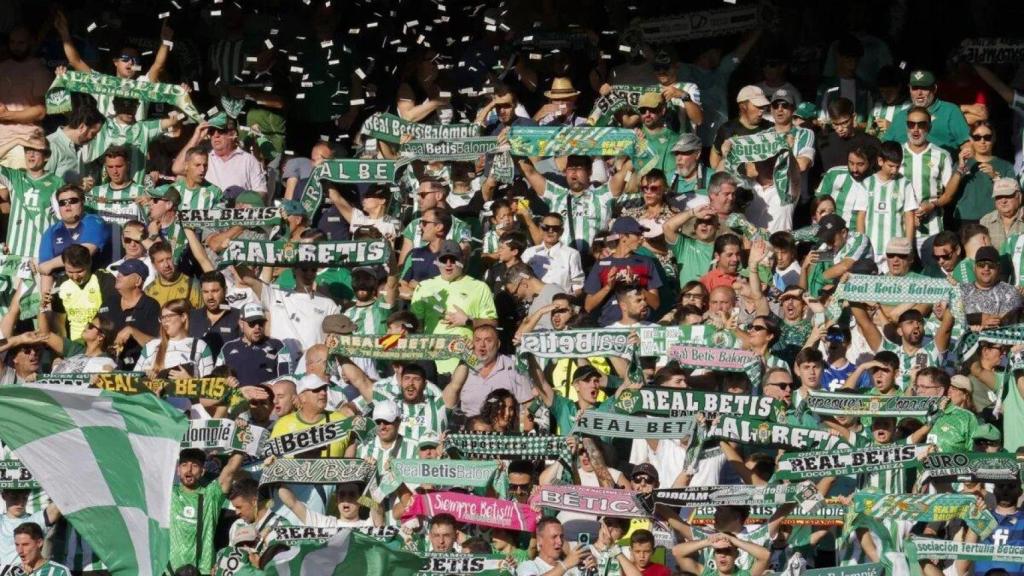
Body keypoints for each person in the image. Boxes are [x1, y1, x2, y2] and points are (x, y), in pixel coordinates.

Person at [410, 240, 497, 374]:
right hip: (431, 362)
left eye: (454, 259)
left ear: (462, 260)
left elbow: (493, 323)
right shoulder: (424, 287)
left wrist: (468, 320)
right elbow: (416, 326)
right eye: (444, 260)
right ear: (438, 261)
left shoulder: (480, 287)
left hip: (467, 361)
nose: (449, 264)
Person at [169, 449, 243, 574]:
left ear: (202, 471)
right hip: (170, 570)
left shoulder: (211, 495)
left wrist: (242, 437)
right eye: (184, 465)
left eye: (195, 465)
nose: (189, 469)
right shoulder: (168, 494)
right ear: (178, 470)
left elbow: (230, 470)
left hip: (204, 571)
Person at [583, 217, 663, 326]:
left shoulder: (646, 262)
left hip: (640, 325)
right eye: (637, 234)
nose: (641, 238)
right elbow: (588, 306)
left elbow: (655, 304)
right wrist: (609, 286)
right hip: (609, 326)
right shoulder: (601, 265)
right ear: (623, 237)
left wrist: (637, 285)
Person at [0, 133, 64, 259]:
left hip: (42, 255)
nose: (31, 154)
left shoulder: (58, 183)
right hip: (15, 253)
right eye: (27, 149)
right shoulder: (15, 177)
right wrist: (16, 140)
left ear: (47, 156)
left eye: (36, 150)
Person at [37, 184, 111, 287]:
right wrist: (46, 300)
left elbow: (83, 254)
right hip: (63, 289)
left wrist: (50, 265)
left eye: (73, 201)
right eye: (62, 203)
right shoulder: (50, 232)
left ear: (82, 202)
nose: (67, 205)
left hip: (95, 285)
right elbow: (45, 272)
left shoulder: (94, 222)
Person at [884, 69, 970, 155]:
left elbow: (967, 145)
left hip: (942, 165)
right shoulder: (901, 115)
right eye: (915, 88)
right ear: (909, 89)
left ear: (934, 88)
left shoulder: (950, 111)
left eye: (924, 88)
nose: (919, 93)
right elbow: (886, 147)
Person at [173, 117, 267, 196]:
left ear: (233, 134)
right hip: (208, 210)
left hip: (234, 212)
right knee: (180, 178)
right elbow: (177, 168)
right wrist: (197, 137)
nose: (216, 135)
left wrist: (242, 203)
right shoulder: (205, 157)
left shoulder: (248, 160)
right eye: (212, 131)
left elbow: (261, 192)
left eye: (221, 131)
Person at [861, 141, 918, 272]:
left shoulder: (904, 184)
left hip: (895, 250)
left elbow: (909, 217)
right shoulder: (867, 183)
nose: (894, 170)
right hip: (872, 247)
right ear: (880, 161)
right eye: (891, 166)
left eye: (898, 167)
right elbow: (861, 217)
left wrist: (908, 247)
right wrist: (862, 244)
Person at [134, 298, 215, 382]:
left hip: (185, 395)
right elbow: (133, 381)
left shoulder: (200, 346)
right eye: (162, 318)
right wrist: (144, 375)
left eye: (168, 317)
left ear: (183, 317)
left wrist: (190, 380)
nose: (164, 322)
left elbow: (208, 386)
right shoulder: (151, 346)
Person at [49, 244, 118, 341]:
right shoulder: (61, 282)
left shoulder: (104, 278)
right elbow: (59, 320)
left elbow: (112, 314)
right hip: (73, 344)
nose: (75, 277)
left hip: (99, 340)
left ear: (89, 263)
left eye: (79, 271)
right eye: (70, 272)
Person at [215, 302, 290, 386]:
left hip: (266, 397)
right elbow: (216, 380)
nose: (257, 327)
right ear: (241, 324)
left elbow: (286, 380)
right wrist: (226, 384)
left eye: (261, 323)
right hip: (237, 397)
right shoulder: (227, 348)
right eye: (252, 323)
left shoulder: (278, 346)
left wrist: (268, 386)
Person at [955, 121, 1015, 226]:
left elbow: (1015, 197)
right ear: (971, 140)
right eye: (977, 137)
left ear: (994, 138)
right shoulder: (962, 163)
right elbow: (947, 194)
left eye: (987, 137)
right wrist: (960, 170)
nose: (982, 141)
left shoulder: (1006, 166)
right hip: (966, 219)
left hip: (995, 219)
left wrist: (996, 177)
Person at [107, 258, 161, 369]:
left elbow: (157, 345)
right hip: (106, 363)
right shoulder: (110, 301)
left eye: (124, 273)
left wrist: (132, 331)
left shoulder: (150, 306)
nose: (118, 275)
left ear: (138, 281)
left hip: (136, 367)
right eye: (119, 272)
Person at [520, 211, 585, 297]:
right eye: (546, 227)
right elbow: (520, 275)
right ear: (540, 229)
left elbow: (577, 286)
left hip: (558, 304)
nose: (550, 231)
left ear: (561, 231)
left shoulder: (572, 254)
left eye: (555, 228)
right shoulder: (529, 252)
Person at [711, 85, 771, 170]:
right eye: (757, 106)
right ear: (743, 106)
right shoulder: (726, 130)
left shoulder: (770, 128)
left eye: (763, 107)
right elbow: (715, 159)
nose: (761, 112)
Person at [961, 246, 1022, 327]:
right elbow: (951, 318)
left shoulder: (1010, 293)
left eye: (991, 265)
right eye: (981, 265)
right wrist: (978, 319)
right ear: (974, 268)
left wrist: (986, 326)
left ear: (999, 268)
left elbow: (1009, 324)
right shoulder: (961, 290)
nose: (986, 268)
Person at [45, 103, 104, 184]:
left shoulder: (81, 147)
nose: (93, 138)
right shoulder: (52, 145)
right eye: (93, 134)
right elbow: (44, 183)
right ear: (82, 127)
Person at [816, 97, 881, 172]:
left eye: (844, 123)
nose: (840, 129)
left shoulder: (871, 143)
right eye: (835, 124)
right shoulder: (823, 143)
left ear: (854, 117)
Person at [517, 517, 597, 576]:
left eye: (561, 536)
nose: (559, 541)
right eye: (554, 537)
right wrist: (565, 565)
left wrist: (591, 571)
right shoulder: (528, 566)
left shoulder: (574, 568)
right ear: (540, 540)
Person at [146, 241, 202, 308]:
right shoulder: (149, 291)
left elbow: (200, 315)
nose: (166, 265)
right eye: (161, 261)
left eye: (169, 259)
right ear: (154, 265)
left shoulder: (192, 285)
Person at [982, 178, 1024, 251]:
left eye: (1008, 195)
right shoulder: (986, 221)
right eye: (999, 197)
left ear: (1019, 196)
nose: (1003, 201)